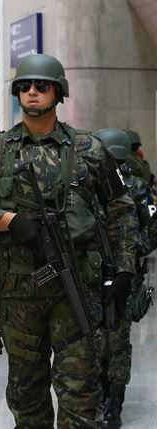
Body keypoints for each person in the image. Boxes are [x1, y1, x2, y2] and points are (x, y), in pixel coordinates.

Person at [0, 54, 138, 427]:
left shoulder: (89, 149)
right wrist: (8, 220)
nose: (32, 92)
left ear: (59, 92)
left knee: (80, 391)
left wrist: (124, 269)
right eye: (24, 86)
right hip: (20, 294)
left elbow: (121, 210)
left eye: (41, 85)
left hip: (77, 294)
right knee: (26, 394)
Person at [95, 128, 155, 429]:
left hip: (124, 279)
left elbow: (153, 231)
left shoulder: (138, 188)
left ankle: (113, 403)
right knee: (95, 341)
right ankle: (99, 397)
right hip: (92, 278)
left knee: (117, 342)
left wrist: (127, 255)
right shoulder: (90, 187)